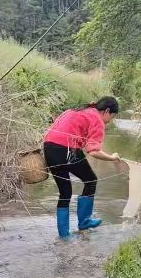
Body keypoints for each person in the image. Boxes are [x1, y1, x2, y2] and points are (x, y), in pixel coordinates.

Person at [43, 97, 121, 239]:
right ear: (107, 111)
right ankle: (84, 222)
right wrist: (112, 158)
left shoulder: (78, 110)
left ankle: (64, 236)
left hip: (48, 147)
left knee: (65, 193)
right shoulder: (97, 119)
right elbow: (94, 151)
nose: (110, 120)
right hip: (66, 149)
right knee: (91, 180)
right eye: (112, 116)